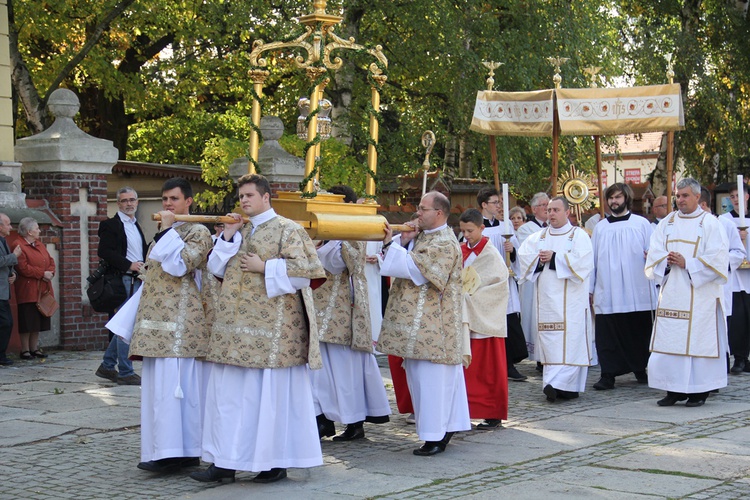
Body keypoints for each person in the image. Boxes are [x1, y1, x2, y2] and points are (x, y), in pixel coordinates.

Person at [191, 174, 326, 484]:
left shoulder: (288, 229)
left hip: (271, 336)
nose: (244, 200)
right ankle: (223, 462)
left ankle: (272, 462)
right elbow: (215, 270)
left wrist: (266, 267)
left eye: (250, 195)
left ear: (266, 197)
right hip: (232, 333)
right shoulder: (240, 229)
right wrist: (227, 237)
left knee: (266, 401)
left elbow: (308, 274)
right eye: (241, 196)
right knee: (227, 399)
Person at [130, 177, 213, 474]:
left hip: (181, 324)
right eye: (165, 200)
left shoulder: (199, 232)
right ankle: (162, 449)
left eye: (173, 199)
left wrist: (166, 231)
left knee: (178, 389)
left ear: (188, 201)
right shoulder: (166, 232)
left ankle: (182, 451)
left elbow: (180, 266)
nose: (167, 205)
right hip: (155, 324)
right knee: (157, 390)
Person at [378, 191, 470, 456]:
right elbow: (404, 261)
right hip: (420, 325)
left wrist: (391, 246)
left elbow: (418, 272)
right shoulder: (424, 236)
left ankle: (436, 435)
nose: (417, 213)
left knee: (433, 380)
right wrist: (403, 242)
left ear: (439, 213)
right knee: (421, 377)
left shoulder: (445, 242)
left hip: (435, 326)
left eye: (423, 209)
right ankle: (444, 426)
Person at [312, 185, 391, 441]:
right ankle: (323, 418)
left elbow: (340, 263)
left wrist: (321, 245)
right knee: (319, 369)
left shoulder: (355, 229)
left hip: (345, 308)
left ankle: (354, 420)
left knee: (346, 367)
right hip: (320, 305)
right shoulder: (323, 230)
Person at [645, 178, 729, 407]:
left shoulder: (710, 223)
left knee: (697, 342)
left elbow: (718, 258)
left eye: (685, 196)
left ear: (697, 197)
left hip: (699, 294)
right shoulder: (667, 223)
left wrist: (689, 263)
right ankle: (673, 389)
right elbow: (654, 251)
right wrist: (667, 262)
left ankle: (698, 391)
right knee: (671, 339)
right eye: (678, 196)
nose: (680, 200)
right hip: (672, 291)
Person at [518, 197, 594, 402]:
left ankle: (564, 386)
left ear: (567, 212)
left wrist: (555, 257)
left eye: (555, 210)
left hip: (572, 302)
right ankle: (552, 384)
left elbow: (584, 263)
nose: (551, 213)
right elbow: (525, 257)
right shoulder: (539, 237)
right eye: (548, 209)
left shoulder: (579, 236)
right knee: (551, 343)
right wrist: (539, 259)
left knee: (572, 342)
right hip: (547, 301)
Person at [590, 183, 656, 390]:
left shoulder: (641, 224)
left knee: (638, 330)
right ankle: (607, 374)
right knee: (607, 333)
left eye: (618, 197)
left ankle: (640, 368)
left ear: (626, 199)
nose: (614, 202)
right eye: (611, 198)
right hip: (608, 289)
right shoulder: (601, 227)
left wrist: (652, 257)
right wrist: (590, 289)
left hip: (637, 288)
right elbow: (592, 261)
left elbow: (653, 252)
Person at [459, 208, 509, 429]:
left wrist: (471, 299)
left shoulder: (491, 255)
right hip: (463, 318)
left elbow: (498, 285)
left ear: (481, 228)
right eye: (462, 231)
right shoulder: (459, 250)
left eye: (470, 231)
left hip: (484, 319)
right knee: (466, 371)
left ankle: (492, 412)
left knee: (487, 371)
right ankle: (465, 410)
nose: (466, 235)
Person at [94, 187, 148, 386]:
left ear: (137, 201)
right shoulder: (111, 224)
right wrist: (128, 264)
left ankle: (108, 366)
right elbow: (104, 251)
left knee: (126, 324)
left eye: (132, 200)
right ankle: (125, 371)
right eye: (124, 200)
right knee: (127, 326)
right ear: (118, 203)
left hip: (136, 278)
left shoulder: (135, 224)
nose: (129, 204)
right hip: (123, 278)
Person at [476, 187, 528, 381]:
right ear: (484, 205)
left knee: (508, 323)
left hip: (504, 282)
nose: (499, 206)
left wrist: (511, 250)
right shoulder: (475, 226)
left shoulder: (504, 227)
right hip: (485, 284)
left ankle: (509, 364)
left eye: (499, 202)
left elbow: (518, 257)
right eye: (495, 202)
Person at [14, 217, 55, 360]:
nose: (39, 230)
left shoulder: (39, 244)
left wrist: (50, 272)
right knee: (27, 320)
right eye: (37, 228)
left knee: (38, 320)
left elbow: (50, 261)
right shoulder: (19, 245)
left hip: (42, 288)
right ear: (29, 231)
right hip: (28, 289)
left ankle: (34, 348)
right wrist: (42, 273)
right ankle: (25, 349)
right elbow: (23, 268)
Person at [516, 192, 550, 366]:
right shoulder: (526, 229)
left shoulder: (555, 227)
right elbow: (526, 255)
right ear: (535, 209)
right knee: (535, 317)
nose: (547, 208)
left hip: (552, 280)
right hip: (534, 281)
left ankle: (550, 354)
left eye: (549, 205)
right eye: (543, 205)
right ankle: (538, 357)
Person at [721, 183, 750, 374]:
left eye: (739, 195)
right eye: (732, 196)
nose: (736, 199)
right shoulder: (723, 221)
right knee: (738, 320)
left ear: (747, 196)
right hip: (736, 278)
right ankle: (739, 358)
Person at [0, 213, 21, 365]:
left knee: (7, 322)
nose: (10, 227)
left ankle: (1, 355)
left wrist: (13, 274)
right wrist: (14, 256)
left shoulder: (4, 241)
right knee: (6, 322)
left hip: (3, 290)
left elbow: (7, 266)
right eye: (8, 224)